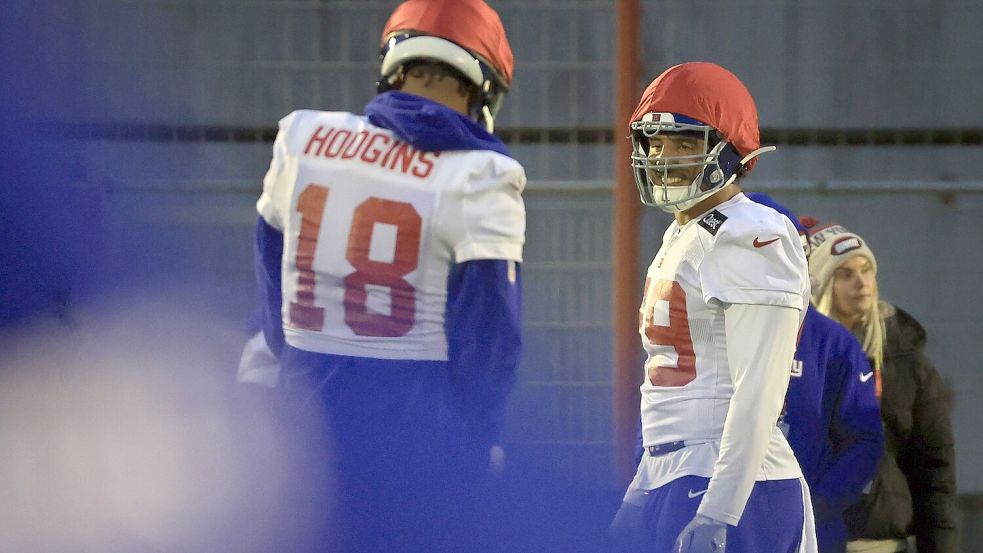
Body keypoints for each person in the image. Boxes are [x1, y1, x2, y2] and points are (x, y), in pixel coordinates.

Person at [253, 0, 524, 550]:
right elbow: (488, 335)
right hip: (414, 435)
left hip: (302, 423)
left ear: (395, 68)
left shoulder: (303, 138)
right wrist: (479, 437)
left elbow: (270, 272)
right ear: (480, 89)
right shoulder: (480, 175)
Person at [609, 62, 816, 553]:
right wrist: (640, 492)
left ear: (730, 149)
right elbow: (667, 389)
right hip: (676, 471)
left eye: (685, 142)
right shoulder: (684, 232)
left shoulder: (749, 232)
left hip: (737, 484)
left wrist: (720, 511)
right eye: (655, 143)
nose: (664, 157)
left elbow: (757, 394)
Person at [805, 222, 957, 553]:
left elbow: (935, 470)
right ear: (820, 288)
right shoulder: (794, 355)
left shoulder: (906, 360)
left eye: (866, 270)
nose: (861, 283)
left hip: (883, 541)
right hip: (809, 538)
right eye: (844, 274)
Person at [747, 193, 884, 553]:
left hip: (808, 532)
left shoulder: (833, 343)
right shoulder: (694, 330)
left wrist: (818, 504)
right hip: (714, 521)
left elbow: (865, 438)